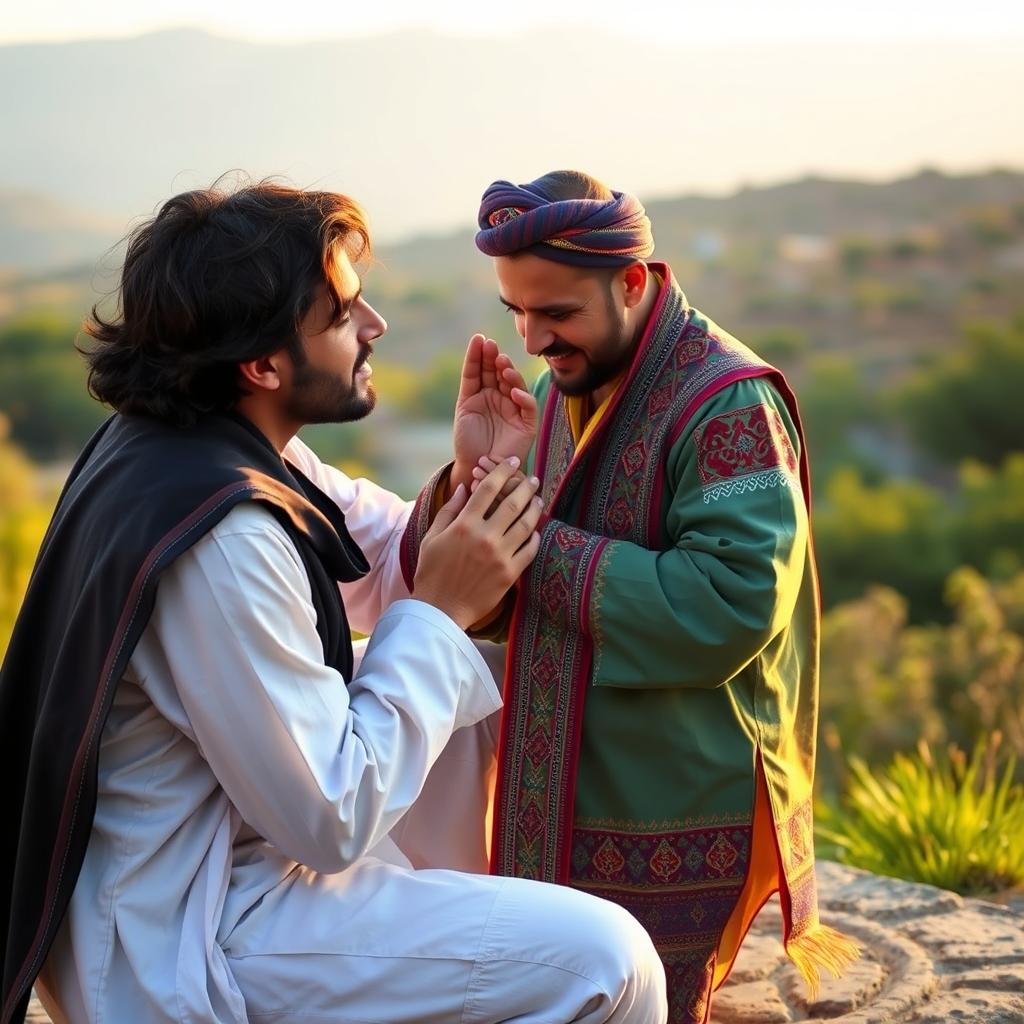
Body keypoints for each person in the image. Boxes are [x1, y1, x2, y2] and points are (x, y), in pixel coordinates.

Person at [0, 182, 669, 1024]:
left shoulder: (210, 442)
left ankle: (456, 957)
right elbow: (331, 817)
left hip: (233, 856)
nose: (375, 325)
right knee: (608, 962)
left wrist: (475, 480)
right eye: (344, 312)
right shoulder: (223, 540)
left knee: (477, 676)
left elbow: (382, 555)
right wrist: (440, 615)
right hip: (189, 930)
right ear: (263, 363)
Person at [399, 170, 859, 1024]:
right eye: (518, 313)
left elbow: (727, 604)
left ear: (634, 282)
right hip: (552, 791)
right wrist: (477, 477)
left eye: (558, 313)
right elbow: (492, 591)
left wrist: (529, 537)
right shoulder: (559, 386)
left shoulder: (728, 407)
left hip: (671, 812)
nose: (535, 338)